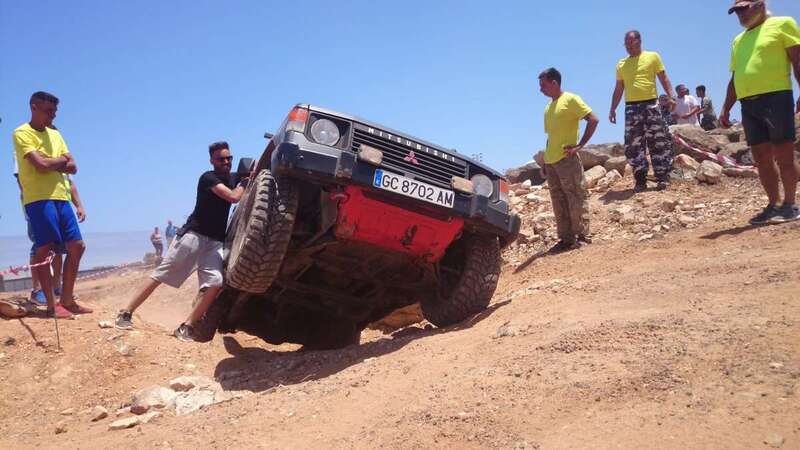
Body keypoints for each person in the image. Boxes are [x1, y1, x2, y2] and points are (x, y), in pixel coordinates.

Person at [114, 141, 249, 341]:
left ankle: (187, 326)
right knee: (161, 275)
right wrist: (244, 184)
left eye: (229, 158)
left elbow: (251, 172)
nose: (226, 162)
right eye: (221, 159)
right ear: (212, 161)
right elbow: (232, 197)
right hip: (194, 236)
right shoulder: (208, 178)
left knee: (215, 283)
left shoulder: (231, 178)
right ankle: (126, 312)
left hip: (214, 242)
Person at [12, 91, 91, 318]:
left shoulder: (55, 133)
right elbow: (40, 165)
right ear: (34, 107)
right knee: (45, 250)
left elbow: (73, 167)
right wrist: (59, 161)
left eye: (55, 111)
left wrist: (51, 162)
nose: (52, 115)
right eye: (48, 111)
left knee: (77, 246)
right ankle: (50, 305)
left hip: (61, 197)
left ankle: (67, 299)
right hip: (38, 199)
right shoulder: (21, 133)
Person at [720, 0, 800, 224]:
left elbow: (797, 61)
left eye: (743, 9)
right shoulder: (738, 40)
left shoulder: (783, 24)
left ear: (760, 5)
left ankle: (790, 205)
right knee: (761, 158)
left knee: (784, 154)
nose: (740, 15)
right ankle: (773, 204)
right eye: (736, 11)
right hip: (748, 103)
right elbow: (735, 77)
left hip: (776, 97)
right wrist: (726, 107)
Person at [539, 68, 599, 251]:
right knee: (558, 200)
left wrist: (579, 146)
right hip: (551, 161)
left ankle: (582, 235)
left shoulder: (571, 99)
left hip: (567, 159)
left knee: (575, 196)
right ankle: (566, 239)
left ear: (554, 83)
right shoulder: (548, 107)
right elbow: (551, 137)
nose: (541, 90)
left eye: (543, 85)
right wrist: (545, 160)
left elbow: (593, 119)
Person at [609, 30, 676, 192]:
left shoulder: (653, 56)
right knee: (634, 145)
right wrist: (612, 108)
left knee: (658, 140)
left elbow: (663, 77)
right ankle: (640, 180)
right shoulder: (621, 64)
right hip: (631, 108)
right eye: (626, 44)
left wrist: (671, 96)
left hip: (651, 104)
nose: (628, 47)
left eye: (631, 43)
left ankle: (662, 177)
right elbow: (619, 88)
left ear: (639, 41)